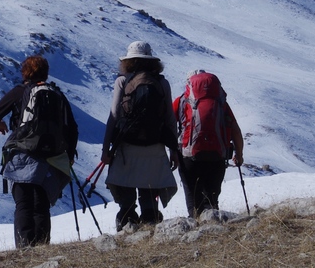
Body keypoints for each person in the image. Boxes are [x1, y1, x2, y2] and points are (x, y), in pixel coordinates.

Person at [0, 55, 78, 248]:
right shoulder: (57, 94)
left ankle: (24, 248)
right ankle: (42, 248)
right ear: (46, 72)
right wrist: (68, 156)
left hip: (23, 154)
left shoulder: (20, 92)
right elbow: (72, 129)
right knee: (41, 205)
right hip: (51, 159)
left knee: (24, 203)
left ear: (25, 73)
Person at [100, 41, 181, 231]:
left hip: (127, 146)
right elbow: (170, 118)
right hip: (154, 146)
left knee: (126, 190)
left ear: (128, 62)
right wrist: (174, 151)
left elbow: (114, 116)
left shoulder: (122, 81)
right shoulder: (161, 83)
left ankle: (127, 224)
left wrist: (106, 149)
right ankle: (151, 224)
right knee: (149, 192)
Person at [173, 69, 244, 216]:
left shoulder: (181, 101)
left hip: (188, 156)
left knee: (193, 197)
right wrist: (239, 154)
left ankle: (195, 222)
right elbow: (235, 130)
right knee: (211, 198)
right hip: (217, 155)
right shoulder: (221, 103)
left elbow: (168, 124)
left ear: (189, 84)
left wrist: (171, 152)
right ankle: (213, 223)